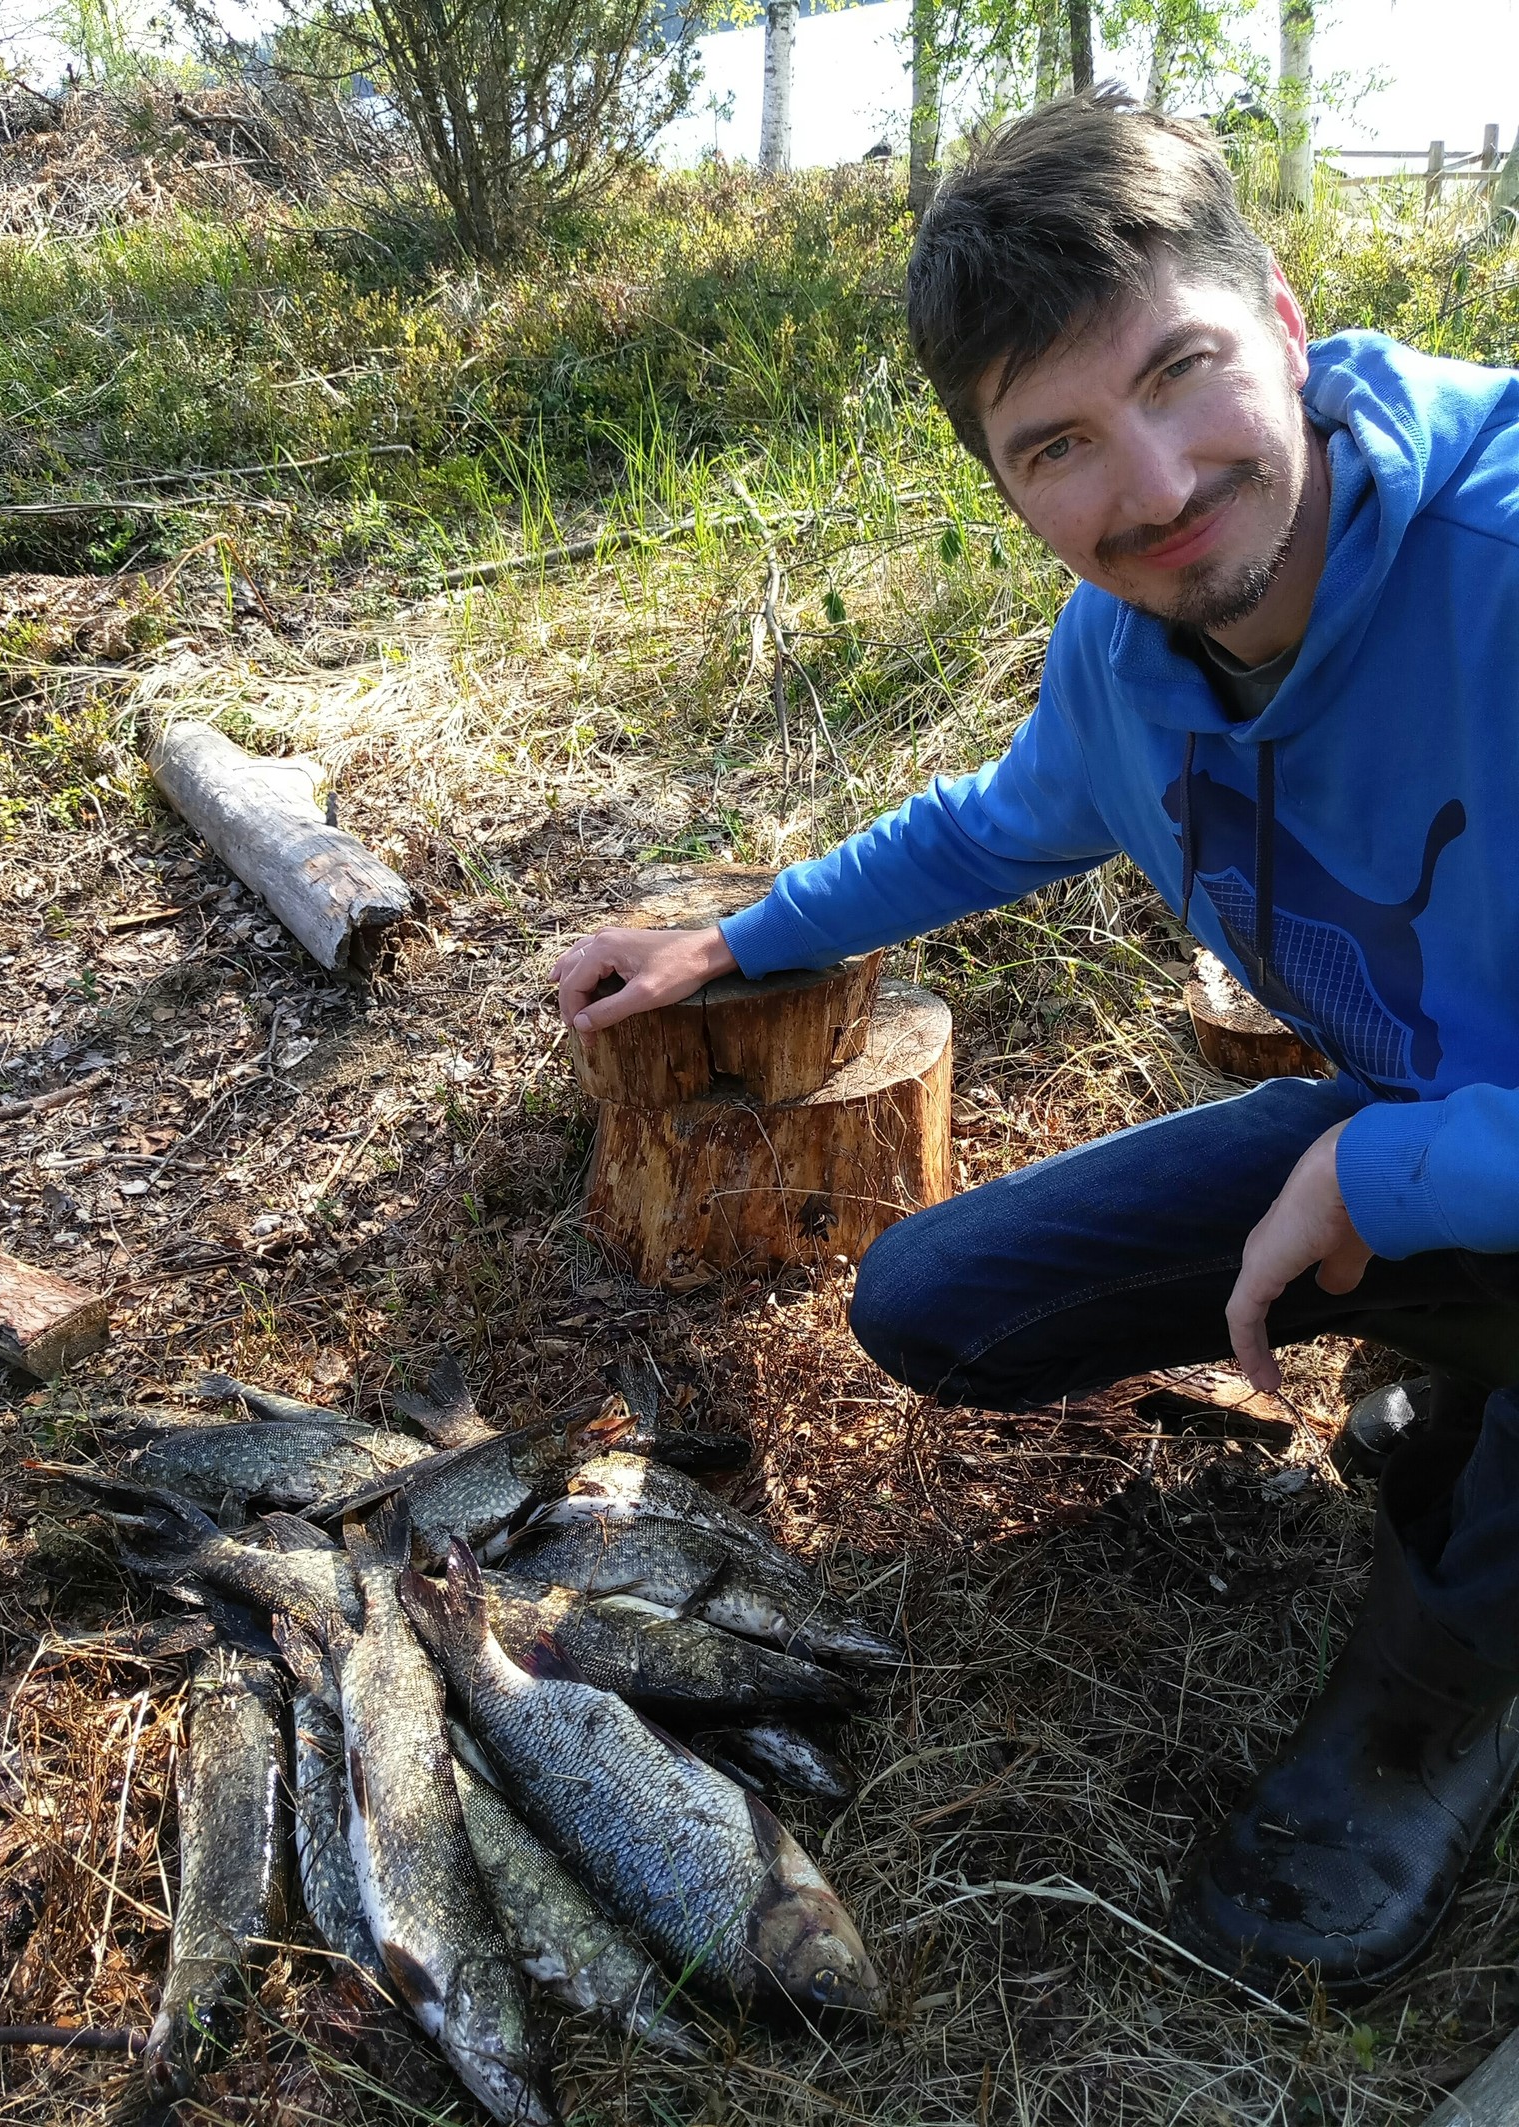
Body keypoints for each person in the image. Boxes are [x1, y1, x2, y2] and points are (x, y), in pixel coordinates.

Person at [549, 87, 1519, 1995]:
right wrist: (732, 938)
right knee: (942, 1305)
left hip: (1421, 1139)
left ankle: (1432, 1708)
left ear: (1291, 318)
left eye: (1182, 373)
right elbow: (997, 820)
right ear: (1001, 479)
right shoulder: (1131, 649)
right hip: (1439, 1121)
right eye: (1059, 442)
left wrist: (1381, 1168)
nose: (1150, 487)